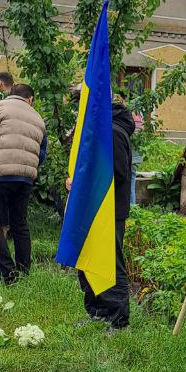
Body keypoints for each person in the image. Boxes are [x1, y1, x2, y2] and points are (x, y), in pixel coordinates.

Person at [0, 82, 47, 285]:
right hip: (25, 177)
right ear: (30, 99)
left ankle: (7, 274)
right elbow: (42, 153)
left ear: (10, 94)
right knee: (19, 223)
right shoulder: (38, 118)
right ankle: (23, 272)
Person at [70, 95, 136, 331]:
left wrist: (84, 181)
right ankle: (97, 311)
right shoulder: (100, 130)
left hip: (109, 210)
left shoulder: (113, 132)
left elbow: (117, 174)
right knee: (89, 258)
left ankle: (119, 319)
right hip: (92, 207)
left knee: (110, 262)